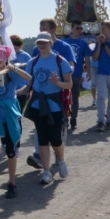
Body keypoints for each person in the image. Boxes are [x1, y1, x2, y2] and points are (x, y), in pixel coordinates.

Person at [23, 32, 73, 185]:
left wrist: (57, 83)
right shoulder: (33, 62)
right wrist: (17, 93)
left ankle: (62, 161)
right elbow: (29, 85)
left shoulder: (60, 61)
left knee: (56, 139)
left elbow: (69, 84)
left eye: (44, 42)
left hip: (55, 105)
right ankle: (46, 172)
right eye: (39, 43)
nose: (41, 45)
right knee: (42, 139)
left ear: (51, 43)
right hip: (38, 104)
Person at [0, 47, 30, 198]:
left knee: (10, 150)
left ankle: (12, 182)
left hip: (8, 115)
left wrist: (13, 68)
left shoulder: (12, 75)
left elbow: (29, 79)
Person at [60, 21, 92, 131]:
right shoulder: (65, 42)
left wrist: (88, 71)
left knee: (75, 97)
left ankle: (73, 118)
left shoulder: (83, 43)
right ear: (72, 28)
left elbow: (87, 58)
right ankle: (65, 118)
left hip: (77, 73)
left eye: (80, 29)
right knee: (64, 97)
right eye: (77, 28)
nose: (79, 30)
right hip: (65, 74)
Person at [91, 21, 110, 132]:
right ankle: (100, 120)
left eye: (103, 28)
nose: (102, 30)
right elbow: (94, 58)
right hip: (101, 73)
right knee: (102, 96)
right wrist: (99, 44)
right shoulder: (99, 42)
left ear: (109, 28)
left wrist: (104, 44)